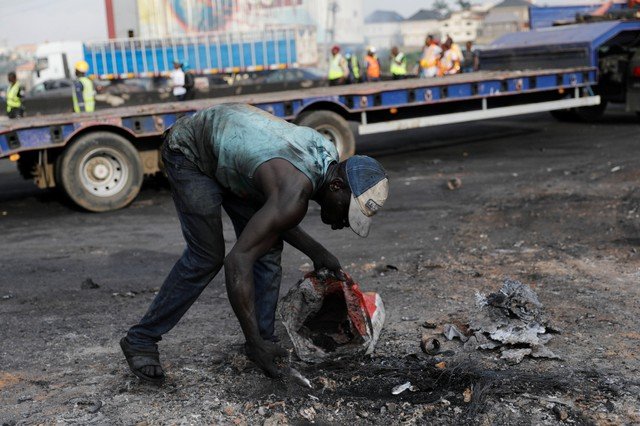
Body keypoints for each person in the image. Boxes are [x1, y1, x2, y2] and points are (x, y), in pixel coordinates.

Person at [120, 103, 389, 382]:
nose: (343, 222)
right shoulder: (293, 193)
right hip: (191, 153)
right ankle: (141, 339)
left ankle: (262, 340)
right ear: (335, 186)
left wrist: (319, 253)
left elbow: (276, 217)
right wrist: (253, 341)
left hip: (230, 154)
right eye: (347, 212)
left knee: (268, 249)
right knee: (207, 256)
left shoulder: (326, 157)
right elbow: (238, 261)